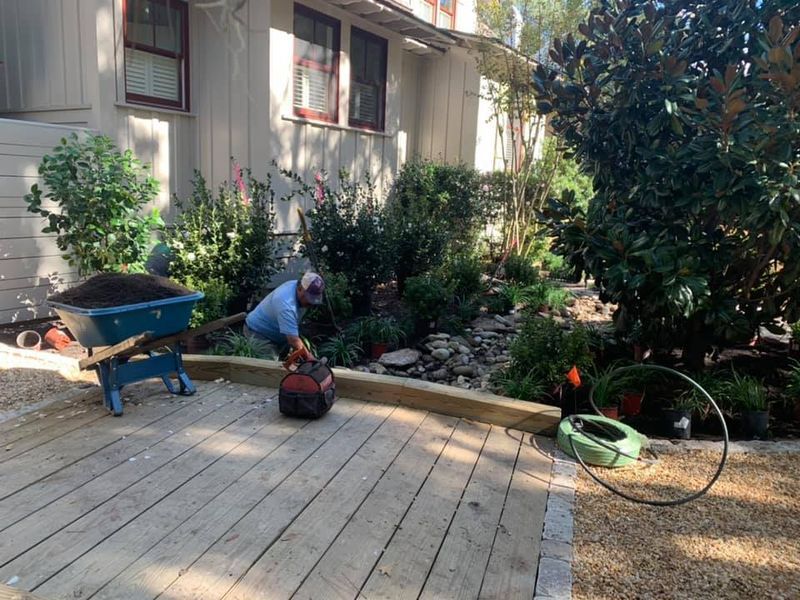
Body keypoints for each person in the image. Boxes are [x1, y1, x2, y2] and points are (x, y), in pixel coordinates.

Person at [244, 272, 324, 362]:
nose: (311, 302)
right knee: (270, 368)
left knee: (286, 363)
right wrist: (311, 359)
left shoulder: (297, 287)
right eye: (309, 298)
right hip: (259, 333)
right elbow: (293, 340)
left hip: (278, 334)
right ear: (300, 288)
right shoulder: (286, 304)